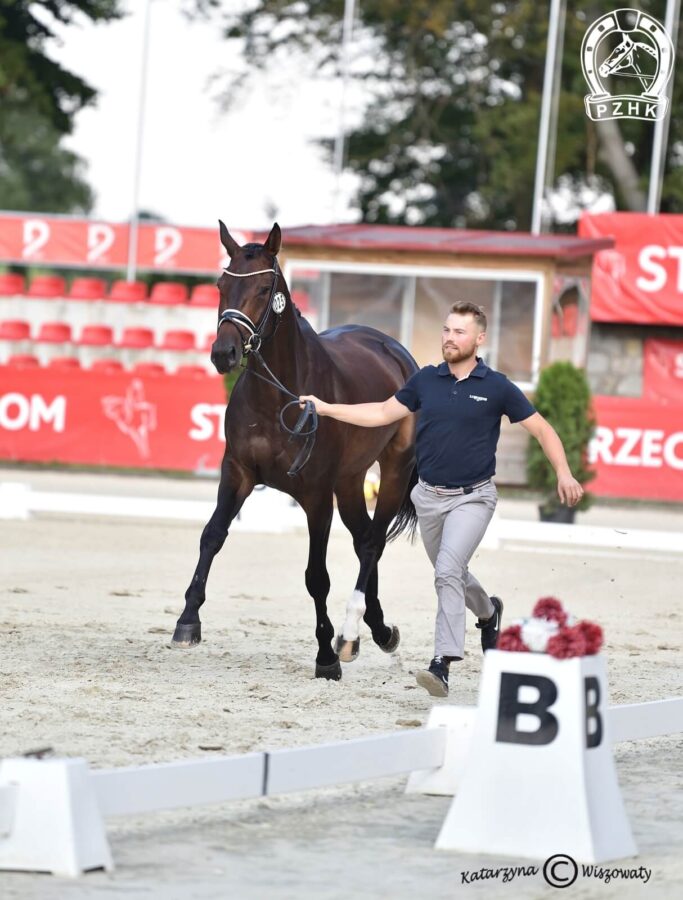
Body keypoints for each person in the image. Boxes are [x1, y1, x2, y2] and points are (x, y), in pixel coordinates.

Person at [299, 301, 584, 697]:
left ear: (479, 338)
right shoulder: (425, 381)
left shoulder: (497, 386)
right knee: (455, 574)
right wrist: (327, 408)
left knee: (447, 571)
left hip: (473, 499)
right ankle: (488, 612)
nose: (450, 338)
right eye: (447, 330)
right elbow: (381, 412)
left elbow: (542, 429)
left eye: (460, 332)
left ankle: (442, 662)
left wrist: (564, 472)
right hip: (428, 499)